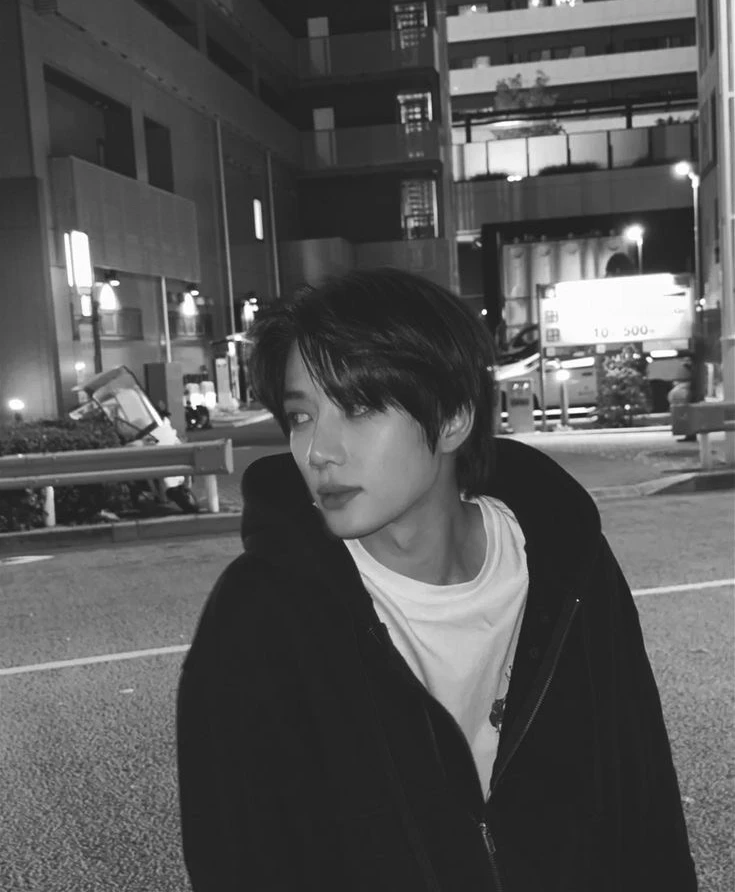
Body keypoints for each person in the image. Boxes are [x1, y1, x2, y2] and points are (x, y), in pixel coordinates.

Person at [176, 268, 697, 891]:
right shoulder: (259, 615)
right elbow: (240, 859)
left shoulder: (568, 564)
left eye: (359, 408)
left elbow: (642, 794)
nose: (318, 451)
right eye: (301, 416)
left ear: (452, 417)